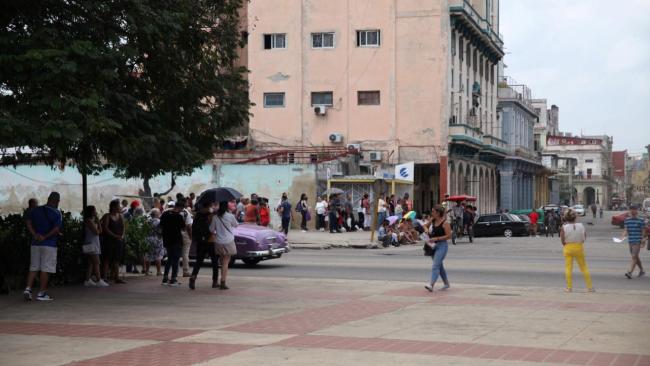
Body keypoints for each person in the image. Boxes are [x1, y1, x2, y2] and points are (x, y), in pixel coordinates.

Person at [23, 192, 63, 301]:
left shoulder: (35, 210)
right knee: (46, 268)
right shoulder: (57, 213)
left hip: (35, 244)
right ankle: (42, 293)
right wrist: (45, 237)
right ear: (57, 201)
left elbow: (28, 222)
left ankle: (28, 289)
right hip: (49, 245)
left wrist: (35, 234)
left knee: (34, 267)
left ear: (48, 198)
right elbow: (56, 229)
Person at [560, 209, 594, 292]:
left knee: (568, 268)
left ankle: (569, 287)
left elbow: (562, 240)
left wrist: (566, 244)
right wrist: (579, 242)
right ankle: (590, 287)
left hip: (568, 248)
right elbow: (584, 238)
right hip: (579, 247)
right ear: (575, 217)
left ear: (566, 218)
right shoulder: (581, 226)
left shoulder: (564, 227)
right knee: (584, 267)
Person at [189, 203, 220, 289]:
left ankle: (193, 277)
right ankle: (215, 281)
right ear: (206, 208)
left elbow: (193, 229)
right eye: (209, 206)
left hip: (200, 241)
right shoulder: (210, 216)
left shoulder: (197, 217)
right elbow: (212, 229)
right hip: (210, 240)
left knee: (199, 261)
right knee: (214, 261)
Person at [160, 198, 187, 286]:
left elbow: (161, 225)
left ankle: (165, 278)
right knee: (175, 259)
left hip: (167, 239)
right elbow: (183, 228)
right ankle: (173, 279)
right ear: (180, 207)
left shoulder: (165, 214)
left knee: (169, 258)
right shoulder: (179, 216)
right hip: (176, 240)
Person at [424, 205, 451, 292]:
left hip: (442, 246)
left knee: (435, 265)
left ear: (438, 213)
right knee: (439, 266)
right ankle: (446, 284)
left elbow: (449, 236)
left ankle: (431, 285)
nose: (431, 213)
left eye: (433, 211)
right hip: (432, 246)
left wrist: (437, 238)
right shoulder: (432, 220)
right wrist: (426, 230)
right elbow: (425, 226)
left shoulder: (445, 223)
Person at [212, 200, 238, 289]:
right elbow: (236, 225)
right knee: (225, 263)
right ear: (227, 207)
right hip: (228, 241)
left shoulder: (215, 217)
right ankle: (223, 282)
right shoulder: (230, 216)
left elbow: (211, 229)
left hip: (219, 242)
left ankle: (220, 280)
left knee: (222, 261)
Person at [82, 205, 109, 287]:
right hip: (91, 243)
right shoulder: (89, 221)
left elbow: (99, 231)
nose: (95, 211)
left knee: (91, 262)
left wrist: (97, 222)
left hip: (92, 243)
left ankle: (87, 280)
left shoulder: (91, 220)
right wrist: (98, 222)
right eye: (94, 210)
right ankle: (99, 280)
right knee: (97, 262)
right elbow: (97, 232)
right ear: (91, 212)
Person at [101, 199, 126, 284]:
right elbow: (105, 228)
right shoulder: (107, 216)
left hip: (118, 240)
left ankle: (117, 277)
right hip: (109, 240)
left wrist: (121, 236)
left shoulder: (120, 216)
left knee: (116, 259)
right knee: (107, 259)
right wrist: (115, 236)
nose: (120, 207)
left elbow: (123, 227)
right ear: (113, 207)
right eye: (118, 206)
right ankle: (104, 278)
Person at [622, 204, 646, 279]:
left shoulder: (641, 220)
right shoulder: (627, 220)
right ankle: (642, 270)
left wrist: (642, 240)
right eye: (631, 209)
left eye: (634, 209)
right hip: (631, 240)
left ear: (637, 210)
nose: (633, 210)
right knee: (636, 257)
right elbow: (626, 230)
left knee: (634, 256)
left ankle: (629, 272)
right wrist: (622, 236)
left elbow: (643, 231)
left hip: (638, 240)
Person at [144, 208, 164, 276]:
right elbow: (161, 231)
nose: (160, 214)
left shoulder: (147, 221)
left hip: (148, 239)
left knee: (148, 255)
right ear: (156, 214)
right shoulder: (159, 221)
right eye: (159, 213)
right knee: (158, 256)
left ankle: (147, 271)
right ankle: (158, 271)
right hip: (157, 239)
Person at [179, 201, 193, 278]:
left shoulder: (172, 211)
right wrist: (191, 236)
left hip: (176, 234)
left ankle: (175, 271)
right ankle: (186, 271)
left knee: (176, 254)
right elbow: (189, 226)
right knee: (185, 253)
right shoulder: (186, 212)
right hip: (185, 233)